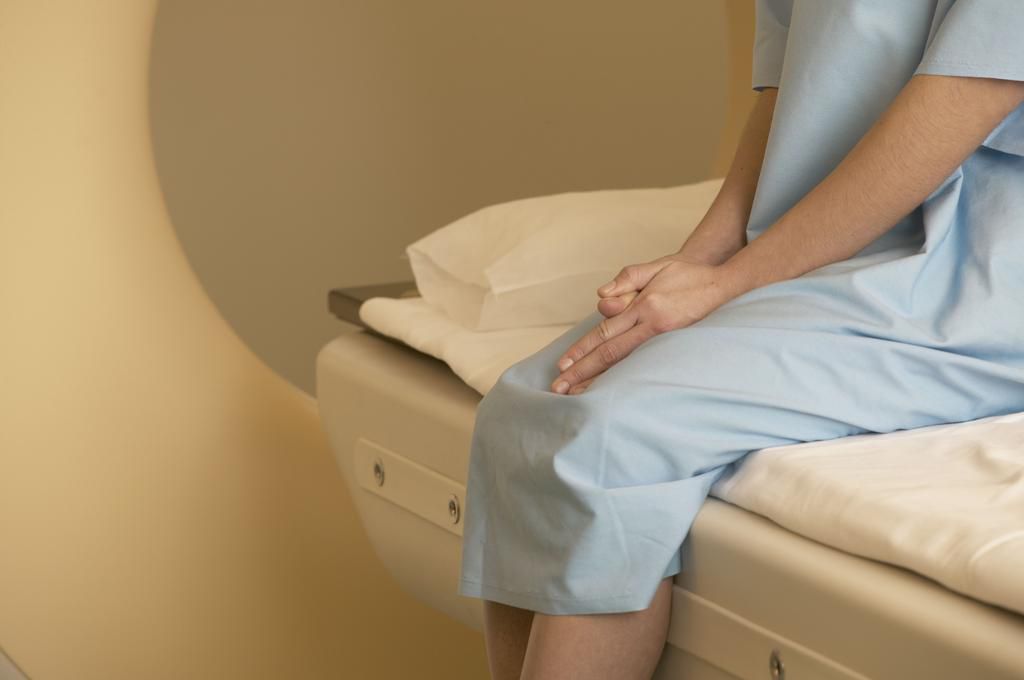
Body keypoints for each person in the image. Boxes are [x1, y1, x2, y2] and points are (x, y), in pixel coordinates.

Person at [458, 1, 1024, 678]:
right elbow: (790, 94)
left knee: (605, 434)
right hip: (825, 245)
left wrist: (732, 284)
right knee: (527, 407)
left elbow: (974, 89)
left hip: (974, 273)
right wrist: (698, 266)